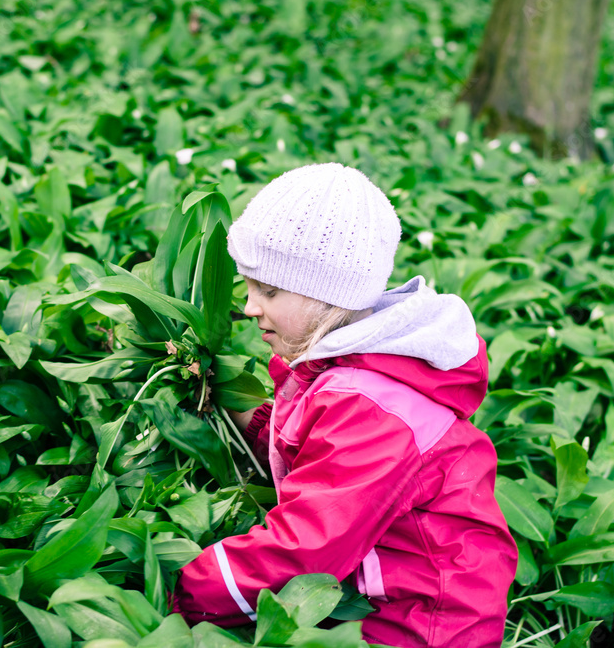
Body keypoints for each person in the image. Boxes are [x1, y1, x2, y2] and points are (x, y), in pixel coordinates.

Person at [171, 163, 518, 647]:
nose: (250, 307)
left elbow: (306, 549)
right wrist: (230, 401)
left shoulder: (374, 414)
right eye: (248, 287)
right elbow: (315, 445)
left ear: (328, 298)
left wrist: (177, 597)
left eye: (268, 291)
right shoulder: (356, 362)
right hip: (366, 594)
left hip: (417, 623)